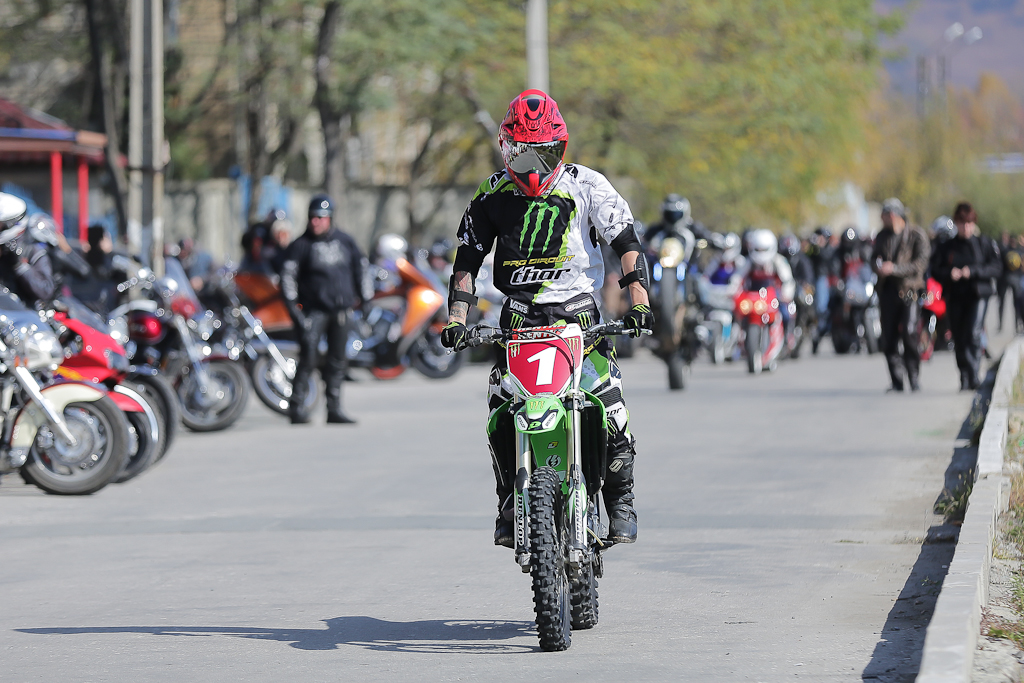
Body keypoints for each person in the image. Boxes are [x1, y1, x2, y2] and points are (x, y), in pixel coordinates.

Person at [439, 89, 652, 546]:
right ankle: (506, 500)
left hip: (582, 325)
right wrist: (457, 320)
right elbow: (465, 264)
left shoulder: (589, 186)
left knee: (613, 410)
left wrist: (639, 303)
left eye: (546, 153)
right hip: (518, 324)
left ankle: (621, 497)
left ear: (562, 147)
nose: (534, 167)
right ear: (506, 149)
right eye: (523, 156)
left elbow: (628, 246)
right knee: (500, 412)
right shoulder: (491, 195)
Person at [280, 194, 365, 424]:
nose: (315, 222)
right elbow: (287, 279)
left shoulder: (345, 241)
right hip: (313, 311)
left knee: (337, 361)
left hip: (341, 311)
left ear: (330, 219)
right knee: (308, 357)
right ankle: (297, 407)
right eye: (312, 217)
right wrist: (296, 313)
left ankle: (334, 408)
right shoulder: (300, 245)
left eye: (320, 217)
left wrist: (363, 297)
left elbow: (360, 268)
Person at [932, 202, 1001, 390]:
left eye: (969, 223)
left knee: (973, 333)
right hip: (955, 296)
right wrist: (950, 273)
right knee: (960, 337)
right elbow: (935, 269)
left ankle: (973, 374)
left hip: (977, 295)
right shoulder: (948, 247)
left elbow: (995, 267)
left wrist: (972, 271)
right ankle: (964, 375)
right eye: (962, 223)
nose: (966, 227)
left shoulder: (983, 243)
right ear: (956, 224)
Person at [870, 198, 930, 392]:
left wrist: (894, 269)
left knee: (910, 332)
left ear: (893, 215)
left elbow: (920, 264)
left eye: (884, 214)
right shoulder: (881, 236)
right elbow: (873, 258)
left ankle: (914, 377)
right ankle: (896, 381)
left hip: (909, 291)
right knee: (889, 337)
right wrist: (878, 267)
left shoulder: (916, 235)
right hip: (887, 291)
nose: (882, 218)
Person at [0, 194, 54, 306]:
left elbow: (45, 291)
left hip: (25, 318)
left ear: (11, 224)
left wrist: (19, 266)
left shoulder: (32, 251)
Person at [998, 231, 1013, 332]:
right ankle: (1000, 323)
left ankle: (1016, 323)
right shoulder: (1000, 249)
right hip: (1002, 278)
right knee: (1001, 302)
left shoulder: (1012, 249)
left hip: (1011, 277)